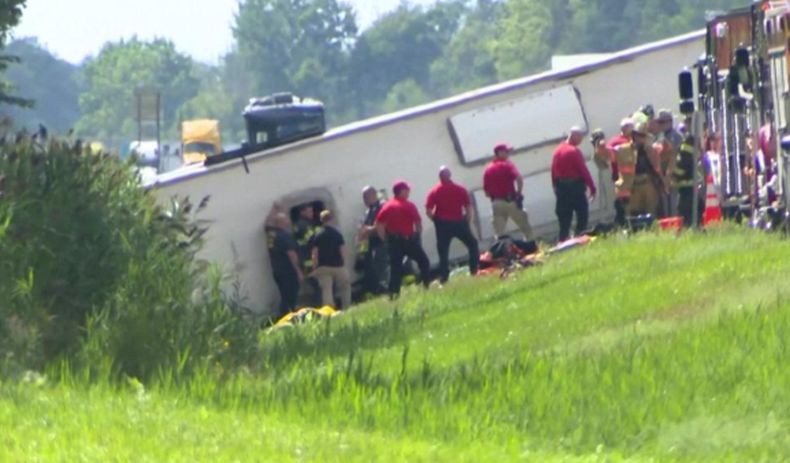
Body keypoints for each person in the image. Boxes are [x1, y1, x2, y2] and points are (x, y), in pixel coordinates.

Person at [376, 181, 431, 297]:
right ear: (402, 191)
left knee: (396, 268)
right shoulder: (408, 205)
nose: (408, 193)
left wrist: (384, 239)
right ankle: (426, 284)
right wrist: (417, 235)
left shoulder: (387, 206)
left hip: (394, 241)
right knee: (424, 261)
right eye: (407, 190)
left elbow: (379, 225)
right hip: (408, 239)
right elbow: (418, 223)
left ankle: (394, 294)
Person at [425, 166, 479, 283]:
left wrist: (436, 220)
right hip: (459, 222)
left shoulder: (434, 191)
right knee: (472, 244)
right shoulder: (460, 189)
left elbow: (428, 210)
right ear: (450, 175)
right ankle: (474, 270)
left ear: (440, 177)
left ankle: (444, 278)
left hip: (443, 224)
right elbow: (468, 207)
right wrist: (468, 222)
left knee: (443, 252)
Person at [551, 127, 597, 241]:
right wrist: (592, 188)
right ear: (574, 136)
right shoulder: (574, 151)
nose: (581, 140)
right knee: (582, 214)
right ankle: (580, 237)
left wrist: (555, 187)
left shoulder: (557, 151)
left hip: (561, 188)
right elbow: (583, 170)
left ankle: (563, 240)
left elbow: (553, 170)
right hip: (575, 187)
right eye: (580, 137)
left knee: (564, 219)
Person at [482, 143, 534, 240]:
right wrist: (518, 193)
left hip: (496, 203)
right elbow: (519, 179)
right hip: (510, 201)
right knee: (525, 227)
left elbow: (486, 193)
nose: (508, 154)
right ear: (500, 153)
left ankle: (504, 252)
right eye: (506, 152)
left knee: (499, 234)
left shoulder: (488, 169)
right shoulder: (507, 165)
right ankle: (532, 247)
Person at [616, 121, 663, 217]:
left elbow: (658, 164)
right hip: (633, 186)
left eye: (643, 136)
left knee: (651, 212)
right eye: (638, 135)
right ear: (633, 135)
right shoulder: (624, 149)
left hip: (649, 184)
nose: (640, 138)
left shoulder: (650, 150)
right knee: (634, 213)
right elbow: (609, 154)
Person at [310, 210, 352, 309]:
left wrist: (315, 267)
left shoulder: (317, 235)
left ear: (321, 220)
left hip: (323, 267)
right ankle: (346, 307)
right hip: (337, 266)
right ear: (332, 219)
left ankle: (329, 310)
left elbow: (314, 254)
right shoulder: (337, 234)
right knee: (345, 287)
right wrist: (343, 263)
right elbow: (342, 250)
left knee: (326, 290)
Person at [266, 212, 303, 318]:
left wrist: (274, 209)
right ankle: (288, 317)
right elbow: (291, 254)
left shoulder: (271, 235)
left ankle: (286, 316)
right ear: (283, 223)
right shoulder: (285, 236)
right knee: (290, 296)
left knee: (284, 295)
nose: (289, 221)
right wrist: (298, 271)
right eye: (286, 220)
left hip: (277, 271)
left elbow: (267, 224)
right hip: (288, 271)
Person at [356, 186, 388, 295]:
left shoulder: (382, 206)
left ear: (373, 195)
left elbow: (383, 224)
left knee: (384, 267)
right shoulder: (368, 212)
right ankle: (381, 289)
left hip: (384, 242)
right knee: (376, 268)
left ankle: (388, 288)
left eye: (366, 197)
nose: (364, 200)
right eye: (363, 198)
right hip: (374, 244)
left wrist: (369, 230)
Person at [607, 118, 634, 225]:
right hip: (622, 178)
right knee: (623, 202)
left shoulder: (633, 140)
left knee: (633, 202)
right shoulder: (616, 142)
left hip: (634, 177)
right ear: (624, 128)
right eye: (630, 127)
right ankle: (622, 223)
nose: (632, 130)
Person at [673, 134, 703, 227]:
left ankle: (689, 228)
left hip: (686, 188)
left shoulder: (686, 148)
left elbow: (682, 166)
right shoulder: (695, 146)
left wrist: (675, 176)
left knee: (685, 213)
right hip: (694, 186)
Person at [293, 204, 318, 273]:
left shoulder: (302, 224)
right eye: (309, 211)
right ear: (302, 212)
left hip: (305, 256)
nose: (312, 213)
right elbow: (313, 240)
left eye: (312, 211)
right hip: (308, 256)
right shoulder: (303, 225)